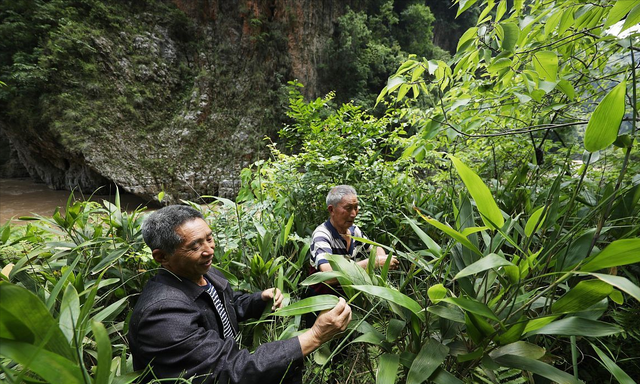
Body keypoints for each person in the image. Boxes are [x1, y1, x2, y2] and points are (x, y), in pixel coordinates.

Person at [128, 205, 352, 384]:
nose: (209, 250)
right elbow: (226, 371)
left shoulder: (201, 272)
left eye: (209, 238)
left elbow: (224, 306)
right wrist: (315, 336)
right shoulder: (162, 315)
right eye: (195, 246)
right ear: (161, 257)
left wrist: (258, 299)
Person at [307, 185, 399, 297]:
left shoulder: (354, 231)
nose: (354, 214)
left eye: (356, 207)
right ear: (331, 210)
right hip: (324, 301)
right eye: (348, 208)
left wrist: (383, 261)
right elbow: (329, 276)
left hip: (351, 298)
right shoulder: (322, 235)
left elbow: (375, 248)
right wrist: (372, 263)